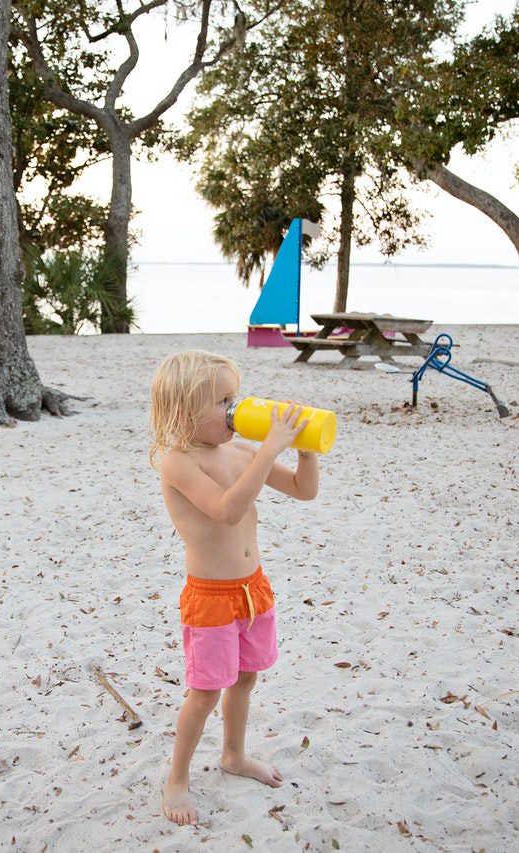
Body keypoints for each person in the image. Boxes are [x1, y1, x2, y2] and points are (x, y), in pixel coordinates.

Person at [149, 350, 320, 826]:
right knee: (204, 693)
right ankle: (177, 779)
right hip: (211, 597)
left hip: (252, 588)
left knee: (246, 679)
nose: (234, 408)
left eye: (234, 397)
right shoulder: (177, 463)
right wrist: (270, 449)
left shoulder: (242, 450)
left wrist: (304, 447)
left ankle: (233, 755)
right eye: (221, 400)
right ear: (184, 410)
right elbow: (226, 509)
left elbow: (304, 491)